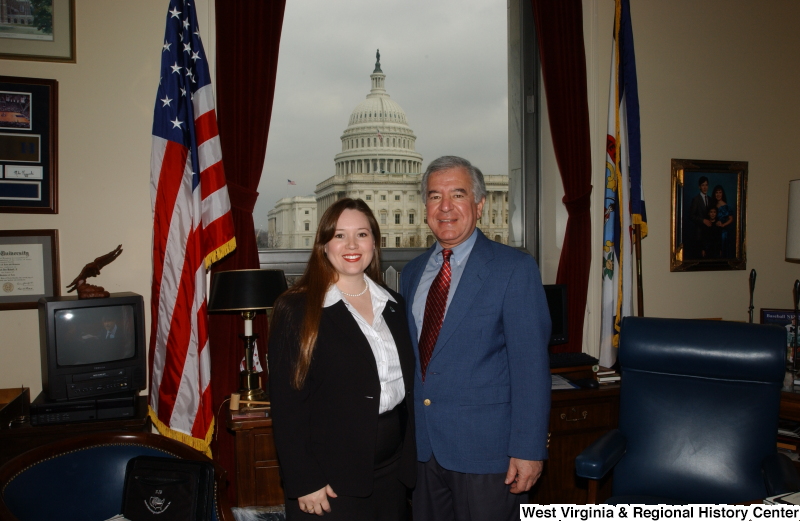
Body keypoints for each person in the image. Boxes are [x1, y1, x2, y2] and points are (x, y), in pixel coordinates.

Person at [399, 156, 551, 521]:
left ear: (479, 205)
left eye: (458, 194)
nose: (445, 207)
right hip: (423, 450)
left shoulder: (514, 268)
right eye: (435, 196)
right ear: (425, 208)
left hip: (489, 453)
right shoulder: (412, 272)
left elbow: (531, 368)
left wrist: (529, 449)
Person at [269, 198, 416, 520]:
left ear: (375, 242)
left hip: (393, 474)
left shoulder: (395, 305)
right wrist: (304, 480)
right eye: (339, 235)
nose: (351, 245)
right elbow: (286, 404)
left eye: (361, 234)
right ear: (323, 244)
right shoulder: (296, 309)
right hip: (328, 480)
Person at [688, 176, 714, 258]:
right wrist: (703, 220)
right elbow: (691, 216)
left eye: (706, 185)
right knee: (699, 256)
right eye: (703, 185)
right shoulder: (696, 199)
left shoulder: (710, 199)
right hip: (699, 233)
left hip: (709, 233)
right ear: (699, 187)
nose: (705, 187)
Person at [712, 185, 735, 258]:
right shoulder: (712, 204)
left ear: (722, 194)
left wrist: (723, 225)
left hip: (722, 233)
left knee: (722, 252)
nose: (718, 194)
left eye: (720, 192)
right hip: (713, 231)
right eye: (716, 192)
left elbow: (731, 219)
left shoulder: (726, 206)